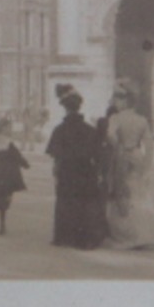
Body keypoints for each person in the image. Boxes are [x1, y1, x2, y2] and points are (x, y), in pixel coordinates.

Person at [44, 86, 107, 249]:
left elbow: (55, 156)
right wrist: (99, 173)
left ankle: (64, 236)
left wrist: (56, 173)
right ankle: (84, 238)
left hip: (66, 170)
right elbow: (98, 155)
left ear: (65, 108)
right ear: (79, 107)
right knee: (85, 203)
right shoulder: (89, 130)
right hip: (86, 171)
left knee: (65, 202)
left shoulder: (59, 130)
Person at [103, 82, 154, 249]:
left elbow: (111, 137)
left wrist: (117, 147)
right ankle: (143, 232)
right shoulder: (141, 120)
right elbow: (150, 145)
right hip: (136, 155)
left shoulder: (115, 119)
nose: (114, 103)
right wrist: (147, 166)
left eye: (116, 100)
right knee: (137, 192)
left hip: (121, 156)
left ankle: (124, 233)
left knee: (121, 191)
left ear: (123, 101)